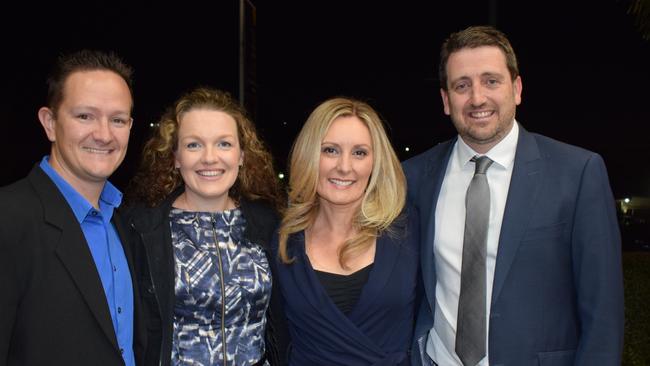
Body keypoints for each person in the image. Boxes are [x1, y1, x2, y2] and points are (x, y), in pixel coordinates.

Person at [405, 25, 624, 366]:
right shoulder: (415, 176)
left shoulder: (578, 172)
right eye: (462, 85)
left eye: (491, 81)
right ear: (446, 101)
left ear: (517, 88)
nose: (477, 98)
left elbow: (604, 314)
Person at [0, 50, 145, 365]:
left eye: (118, 120)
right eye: (85, 116)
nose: (104, 134)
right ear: (50, 123)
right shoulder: (9, 218)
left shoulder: (125, 220)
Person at [126, 87, 288, 366]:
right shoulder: (141, 230)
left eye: (224, 144)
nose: (210, 158)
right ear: (175, 157)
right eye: (194, 145)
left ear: (241, 155)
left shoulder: (270, 223)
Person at [272, 97, 419, 365]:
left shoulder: (407, 232)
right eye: (330, 150)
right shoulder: (283, 241)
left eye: (359, 153)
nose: (344, 166)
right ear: (309, 155)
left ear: (376, 162)